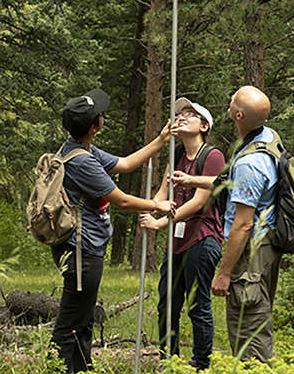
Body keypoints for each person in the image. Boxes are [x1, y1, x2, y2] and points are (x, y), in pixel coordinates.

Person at [52, 88, 175, 374]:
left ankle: (81, 368)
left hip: (85, 247)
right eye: (100, 115)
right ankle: (58, 367)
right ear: (96, 125)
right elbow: (120, 199)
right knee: (71, 319)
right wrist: (157, 204)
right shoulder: (82, 161)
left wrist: (160, 141)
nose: (103, 117)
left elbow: (126, 164)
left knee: (82, 317)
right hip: (81, 249)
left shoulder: (81, 148)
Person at [138, 98, 225, 371]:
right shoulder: (175, 152)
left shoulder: (212, 156)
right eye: (180, 113)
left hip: (203, 238)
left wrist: (161, 224)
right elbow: (164, 189)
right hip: (176, 241)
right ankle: (169, 359)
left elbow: (199, 202)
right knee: (167, 302)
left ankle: (201, 363)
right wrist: (152, 208)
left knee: (197, 305)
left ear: (204, 125)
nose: (182, 117)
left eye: (191, 114)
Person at [210, 85, 282, 363]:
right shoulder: (267, 138)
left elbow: (243, 224)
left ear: (238, 115)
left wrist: (225, 272)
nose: (229, 100)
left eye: (233, 100)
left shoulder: (250, 164)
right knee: (256, 316)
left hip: (250, 254)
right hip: (267, 245)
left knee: (249, 327)